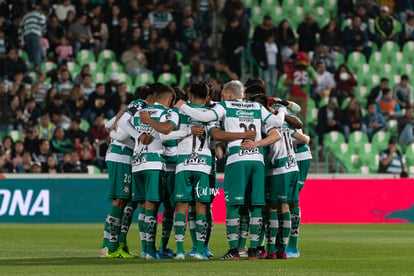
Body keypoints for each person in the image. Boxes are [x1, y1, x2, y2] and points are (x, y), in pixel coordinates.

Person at [176, 80, 287, 260]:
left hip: (237, 158)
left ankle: (234, 251)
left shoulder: (225, 105)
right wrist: (281, 109)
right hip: (257, 159)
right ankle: (253, 250)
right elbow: (277, 122)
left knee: (234, 205)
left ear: (227, 94)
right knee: (256, 205)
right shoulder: (255, 107)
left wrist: (182, 106)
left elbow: (204, 118)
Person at [284, 52, 318, 123]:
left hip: (293, 94)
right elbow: (316, 83)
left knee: (290, 115)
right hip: (304, 96)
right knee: (302, 118)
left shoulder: (292, 69)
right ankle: (302, 132)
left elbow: (286, 83)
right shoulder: (310, 69)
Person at [18, 5, 46, 70]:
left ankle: (31, 66)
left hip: (26, 35)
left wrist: (20, 40)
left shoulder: (25, 16)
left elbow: (20, 29)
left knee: (30, 51)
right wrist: (43, 31)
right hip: (35, 33)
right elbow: (43, 23)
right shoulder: (39, 14)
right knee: (37, 50)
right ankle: (36, 66)